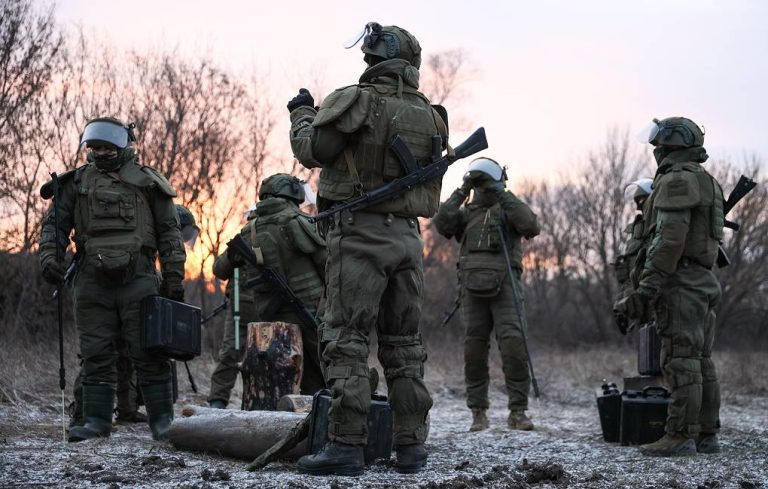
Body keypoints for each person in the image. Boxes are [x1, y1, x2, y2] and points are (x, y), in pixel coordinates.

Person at [287, 22, 448, 475]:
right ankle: (411, 447)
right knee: (404, 344)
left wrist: (302, 113)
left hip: (361, 236)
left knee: (346, 339)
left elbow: (311, 150)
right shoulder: (431, 114)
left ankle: (346, 445)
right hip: (408, 239)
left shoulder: (356, 100)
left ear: (372, 58)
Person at [39, 117, 186, 442]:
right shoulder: (77, 182)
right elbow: (54, 225)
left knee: (149, 352)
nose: (101, 152)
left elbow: (170, 232)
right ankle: (96, 422)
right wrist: (50, 257)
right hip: (91, 279)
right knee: (96, 352)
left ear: (123, 145)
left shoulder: (149, 182)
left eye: (107, 147)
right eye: (95, 147)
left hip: (140, 279)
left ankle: (163, 424)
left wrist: (174, 277)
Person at [615, 117, 723, 457]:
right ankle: (706, 434)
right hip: (702, 279)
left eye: (658, 144)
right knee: (700, 359)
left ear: (669, 145)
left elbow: (669, 240)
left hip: (682, 281)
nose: (655, 150)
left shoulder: (676, 179)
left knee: (680, 360)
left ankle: (679, 435)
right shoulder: (704, 179)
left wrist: (647, 287)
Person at [433, 157, 540, 432]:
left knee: (514, 346)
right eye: (479, 183)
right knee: (474, 350)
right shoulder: (467, 213)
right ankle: (478, 412)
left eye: (485, 181)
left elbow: (531, 225)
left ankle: (518, 411)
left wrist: (502, 193)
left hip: (506, 286)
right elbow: (442, 222)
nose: (483, 187)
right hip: (471, 288)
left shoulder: (507, 209)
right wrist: (462, 190)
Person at [69, 204, 199, 427]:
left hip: (131, 294)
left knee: (129, 354)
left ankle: (127, 410)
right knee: (100, 356)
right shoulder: (138, 236)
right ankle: (83, 415)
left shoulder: (149, 243)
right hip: (111, 294)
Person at [207, 174, 326, 408]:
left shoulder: (249, 231)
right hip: (311, 310)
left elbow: (219, 269)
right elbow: (327, 264)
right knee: (323, 368)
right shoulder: (298, 221)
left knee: (286, 372)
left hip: (275, 320)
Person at [613, 178, 653, 335]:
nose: (639, 206)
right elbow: (631, 277)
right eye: (638, 201)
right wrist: (621, 307)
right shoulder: (638, 232)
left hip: (662, 306)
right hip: (645, 313)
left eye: (643, 200)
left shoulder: (665, 228)